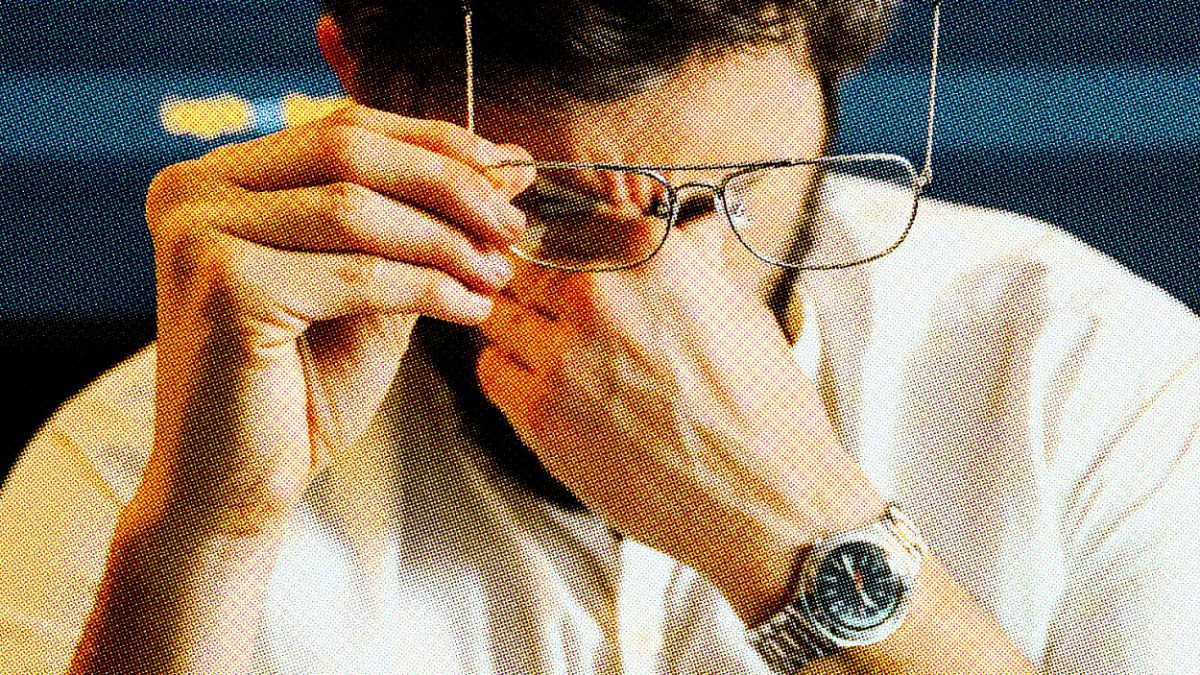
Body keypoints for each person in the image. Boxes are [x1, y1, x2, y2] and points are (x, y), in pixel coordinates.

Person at [2, 0, 1198, 672]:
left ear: (830, 94)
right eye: (554, 209)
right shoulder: (142, 467)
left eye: (721, 201)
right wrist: (208, 546)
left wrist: (808, 539)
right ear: (361, 86)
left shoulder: (1090, 379)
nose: (645, 301)